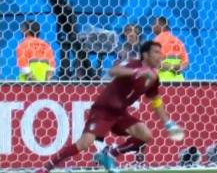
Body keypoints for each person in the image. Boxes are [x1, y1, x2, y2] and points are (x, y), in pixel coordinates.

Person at [35, 41, 184, 173]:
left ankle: (110, 153)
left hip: (120, 113)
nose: (160, 55)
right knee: (84, 143)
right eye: (156, 52)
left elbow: (156, 100)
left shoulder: (154, 78)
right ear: (145, 55)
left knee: (146, 135)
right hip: (103, 109)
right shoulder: (133, 64)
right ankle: (46, 167)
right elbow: (113, 71)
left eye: (161, 52)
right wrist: (137, 72)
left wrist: (168, 123)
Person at [153, 17, 189, 82]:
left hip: (163, 82)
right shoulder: (178, 41)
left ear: (161, 25)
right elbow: (186, 64)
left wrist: (171, 67)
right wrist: (179, 67)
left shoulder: (157, 41)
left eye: (154, 24)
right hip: (179, 82)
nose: (152, 27)